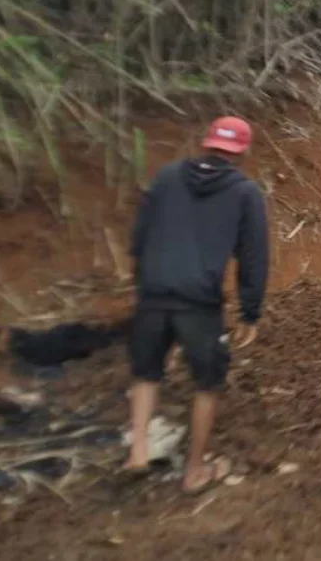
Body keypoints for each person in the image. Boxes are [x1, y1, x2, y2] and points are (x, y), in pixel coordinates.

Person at [124, 116, 268, 494]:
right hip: (198, 303)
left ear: (206, 143)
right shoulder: (244, 193)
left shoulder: (167, 176)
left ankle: (138, 450)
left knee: (146, 372)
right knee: (208, 383)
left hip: (152, 293)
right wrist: (250, 310)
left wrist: (142, 280)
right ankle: (194, 470)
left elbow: (140, 235)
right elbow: (253, 256)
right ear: (243, 151)